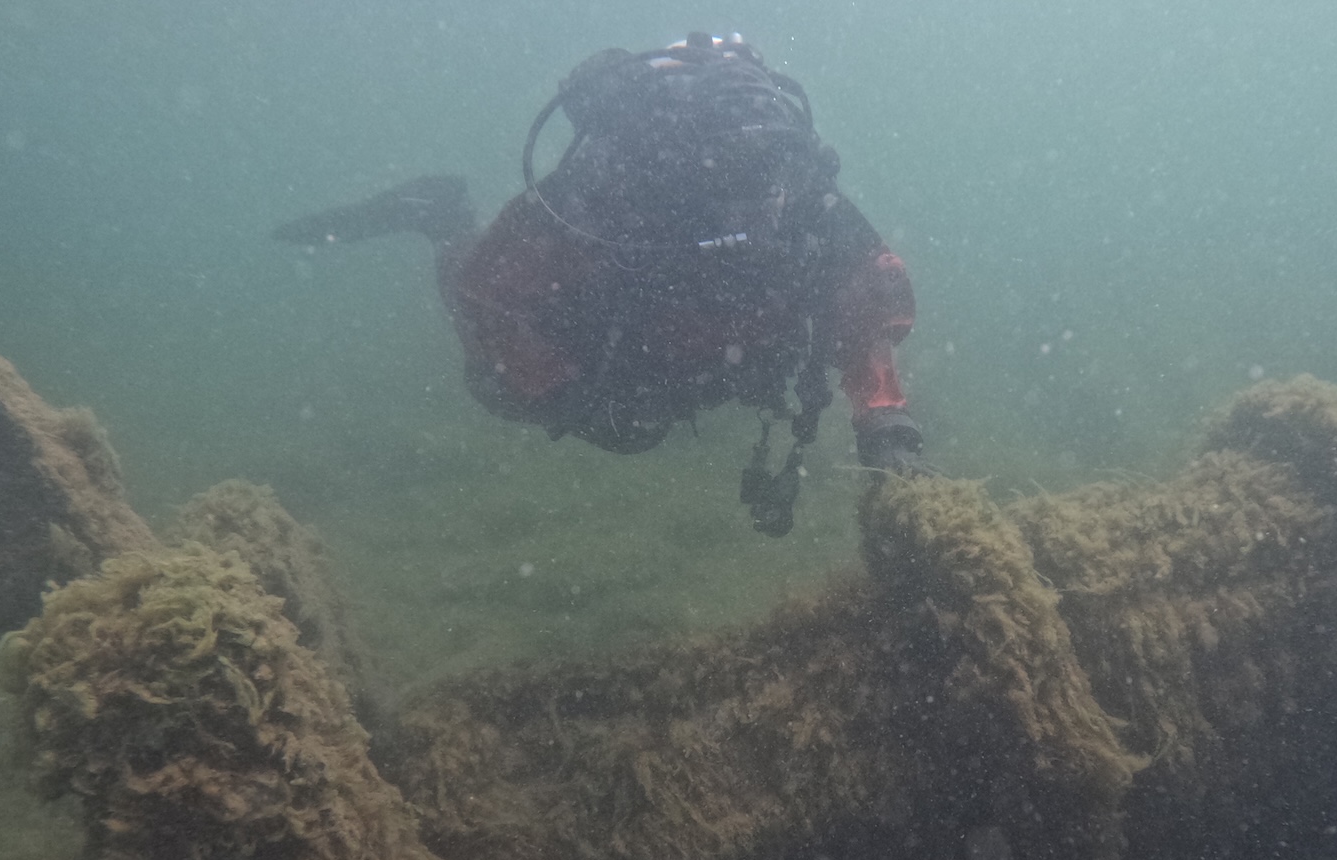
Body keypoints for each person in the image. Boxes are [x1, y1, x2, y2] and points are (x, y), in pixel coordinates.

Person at [274, 32, 923, 536]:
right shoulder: (617, 191)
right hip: (618, 330)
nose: (757, 214)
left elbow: (867, 300)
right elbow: (489, 291)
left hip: (700, 350)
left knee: (646, 422)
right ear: (692, 178)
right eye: (734, 191)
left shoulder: (804, 191)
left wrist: (886, 424)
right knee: (498, 388)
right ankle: (443, 218)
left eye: (768, 189)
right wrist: (564, 390)